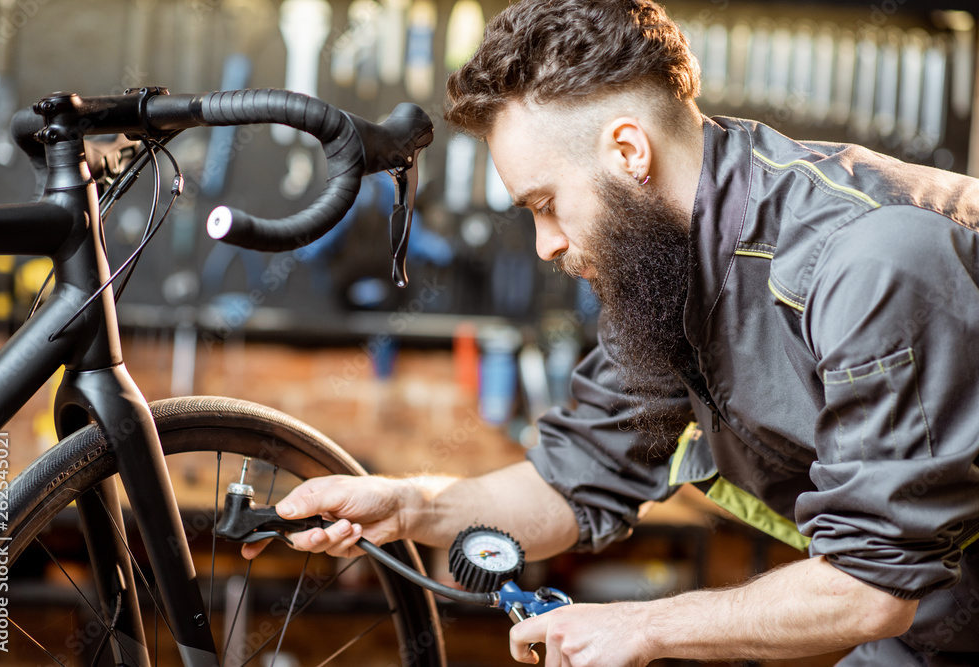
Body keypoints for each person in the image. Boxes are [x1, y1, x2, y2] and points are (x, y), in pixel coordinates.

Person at [245, 0, 979, 664]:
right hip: (934, 615)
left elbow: (871, 584)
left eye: (547, 204)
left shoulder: (867, 261)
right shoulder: (669, 272)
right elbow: (576, 477)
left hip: (908, 601)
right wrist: (410, 505)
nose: (545, 244)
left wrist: (641, 625)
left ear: (629, 154)